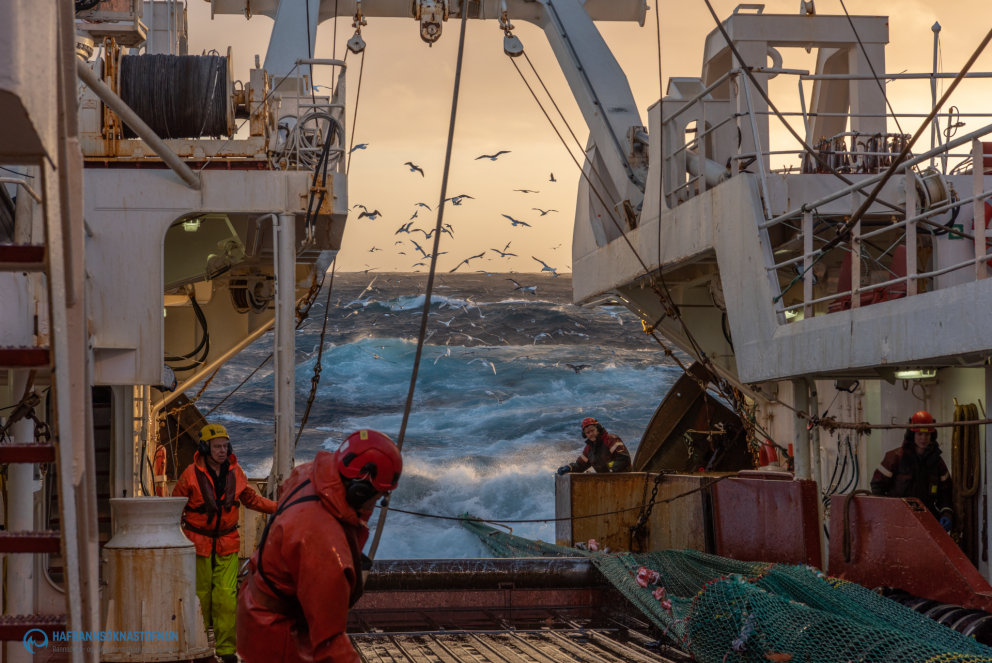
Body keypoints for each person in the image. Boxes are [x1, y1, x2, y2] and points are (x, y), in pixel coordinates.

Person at [236, 429, 402, 663]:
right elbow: (330, 643)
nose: (378, 502)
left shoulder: (308, 473)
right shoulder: (323, 542)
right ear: (360, 489)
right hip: (275, 632)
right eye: (380, 496)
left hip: (254, 604)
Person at [172, 423, 277, 663]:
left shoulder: (236, 471)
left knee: (226, 596)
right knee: (200, 596)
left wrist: (281, 508)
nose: (222, 450)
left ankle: (227, 651)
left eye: (225, 446)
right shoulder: (189, 474)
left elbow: (251, 499)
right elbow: (174, 508)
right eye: (217, 446)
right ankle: (197, 646)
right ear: (204, 447)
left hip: (228, 543)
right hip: (197, 543)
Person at [870, 410, 953, 532]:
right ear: (911, 435)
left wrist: (946, 513)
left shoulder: (938, 462)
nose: (923, 438)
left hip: (927, 520)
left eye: (927, 435)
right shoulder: (895, 458)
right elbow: (877, 486)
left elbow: (945, 493)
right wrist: (890, 511)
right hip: (898, 522)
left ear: (932, 436)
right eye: (919, 434)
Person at [557, 417, 631, 475]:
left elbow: (624, 458)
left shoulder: (610, 439)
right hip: (607, 482)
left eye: (592, 430)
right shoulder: (589, 449)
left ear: (598, 429)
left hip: (627, 478)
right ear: (585, 435)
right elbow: (580, 466)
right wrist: (568, 468)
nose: (591, 434)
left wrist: (612, 472)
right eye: (588, 432)